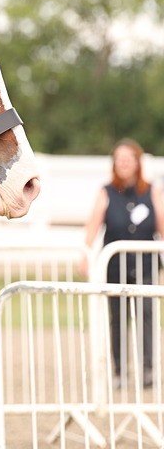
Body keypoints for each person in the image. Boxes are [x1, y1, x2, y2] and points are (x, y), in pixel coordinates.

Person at [82, 138, 164, 388]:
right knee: (117, 319)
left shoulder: (151, 190)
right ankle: (119, 371)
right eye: (119, 159)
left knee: (147, 316)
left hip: (145, 265)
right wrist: (85, 255)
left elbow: (161, 225)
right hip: (115, 266)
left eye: (128, 159)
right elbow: (93, 225)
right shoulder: (106, 191)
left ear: (138, 162)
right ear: (114, 164)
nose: (124, 164)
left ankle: (148, 369)